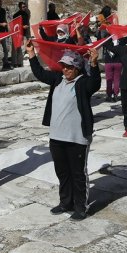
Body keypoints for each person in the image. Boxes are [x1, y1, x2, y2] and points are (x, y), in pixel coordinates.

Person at [27, 42, 100, 221]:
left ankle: (80, 207)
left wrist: (94, 63)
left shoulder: (82, 83)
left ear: (77, 68)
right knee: (62, 172)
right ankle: (65, 202)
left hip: (77, 139)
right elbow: (40, 73)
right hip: (57, 137)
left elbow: (95, 84)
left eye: (69, 67)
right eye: (64, 66)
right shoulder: (57, 79)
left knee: (78, 173)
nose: (65, 70)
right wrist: (31, 54)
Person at [12, 2, 31, 67]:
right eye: (23, 7)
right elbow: (15, 25)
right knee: (17, 48)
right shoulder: (16, 15)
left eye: (25, 6)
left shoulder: (26, 14)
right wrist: (22, 27)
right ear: (19, 7)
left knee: (23, 49)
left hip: (24, 33)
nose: (24, 8)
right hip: (17, 33)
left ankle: (20, 62)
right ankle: (15, 62)